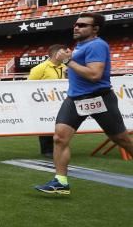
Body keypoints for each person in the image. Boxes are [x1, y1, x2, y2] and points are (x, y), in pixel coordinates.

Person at [35, 12, 133, 195]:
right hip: (75, 99)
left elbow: (94, 75)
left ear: (95, 29)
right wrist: (70, 67)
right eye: (76, 24)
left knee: (122, 140)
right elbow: (79, 70)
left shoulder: (97, 45)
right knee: (59, 138)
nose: (77, 27)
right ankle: (61, 182)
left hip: (98, 98)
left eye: (82, 25)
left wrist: (69, 61)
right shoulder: (80, 46)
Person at [28, 44, 68, 157]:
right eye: (64, 53)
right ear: (57, 54)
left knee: (60, 126)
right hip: (44, 104)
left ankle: (58, 147)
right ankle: (47, 150)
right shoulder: (39, 68)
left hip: (61, 102)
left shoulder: (65, 67)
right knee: (46, 126)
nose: (66, 55)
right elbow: (28, 86)